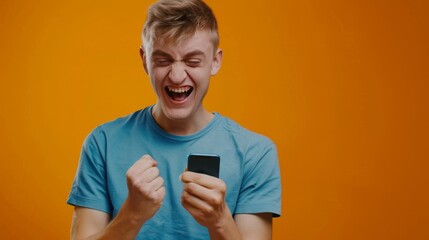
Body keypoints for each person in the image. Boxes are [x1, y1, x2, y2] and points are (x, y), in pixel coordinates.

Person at [67, 0, 281, 239]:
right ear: (144, 60)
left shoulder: (256, 153)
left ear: (215, 61)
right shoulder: (102, 143)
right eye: (163, 60)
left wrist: (219, 220)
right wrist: (132, 214)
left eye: (192, 61)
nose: (177, 76)